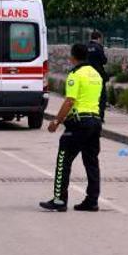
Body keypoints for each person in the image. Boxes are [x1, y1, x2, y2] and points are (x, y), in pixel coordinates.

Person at [40, 44, 103, 213]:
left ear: (73, 57)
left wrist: (56, 121)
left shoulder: (75, 74)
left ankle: (59, 200)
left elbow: (70, 100)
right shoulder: (96, 74)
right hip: (95, 121)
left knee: (64, 159)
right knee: (92, 162)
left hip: (79, 122)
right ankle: (92, 200)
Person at [87, 31, 108, 122]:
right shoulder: (99, 47)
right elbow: (104, 60)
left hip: (87, 74)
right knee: (101, 96)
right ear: (99, 38)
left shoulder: (86, 47)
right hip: (98, 75)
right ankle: (100, 116)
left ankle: (89, 115)